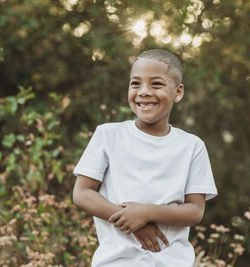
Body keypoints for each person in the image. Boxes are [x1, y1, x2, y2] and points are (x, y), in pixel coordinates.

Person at [72, 49, 217, 266]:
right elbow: (82, 193)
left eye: (156, 84)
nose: (144, 92)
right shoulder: (108, 134)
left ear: (177, 92)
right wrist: (134, 222)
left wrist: (147, 212)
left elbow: (195, 211)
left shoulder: (192, 146)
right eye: (135, 83)